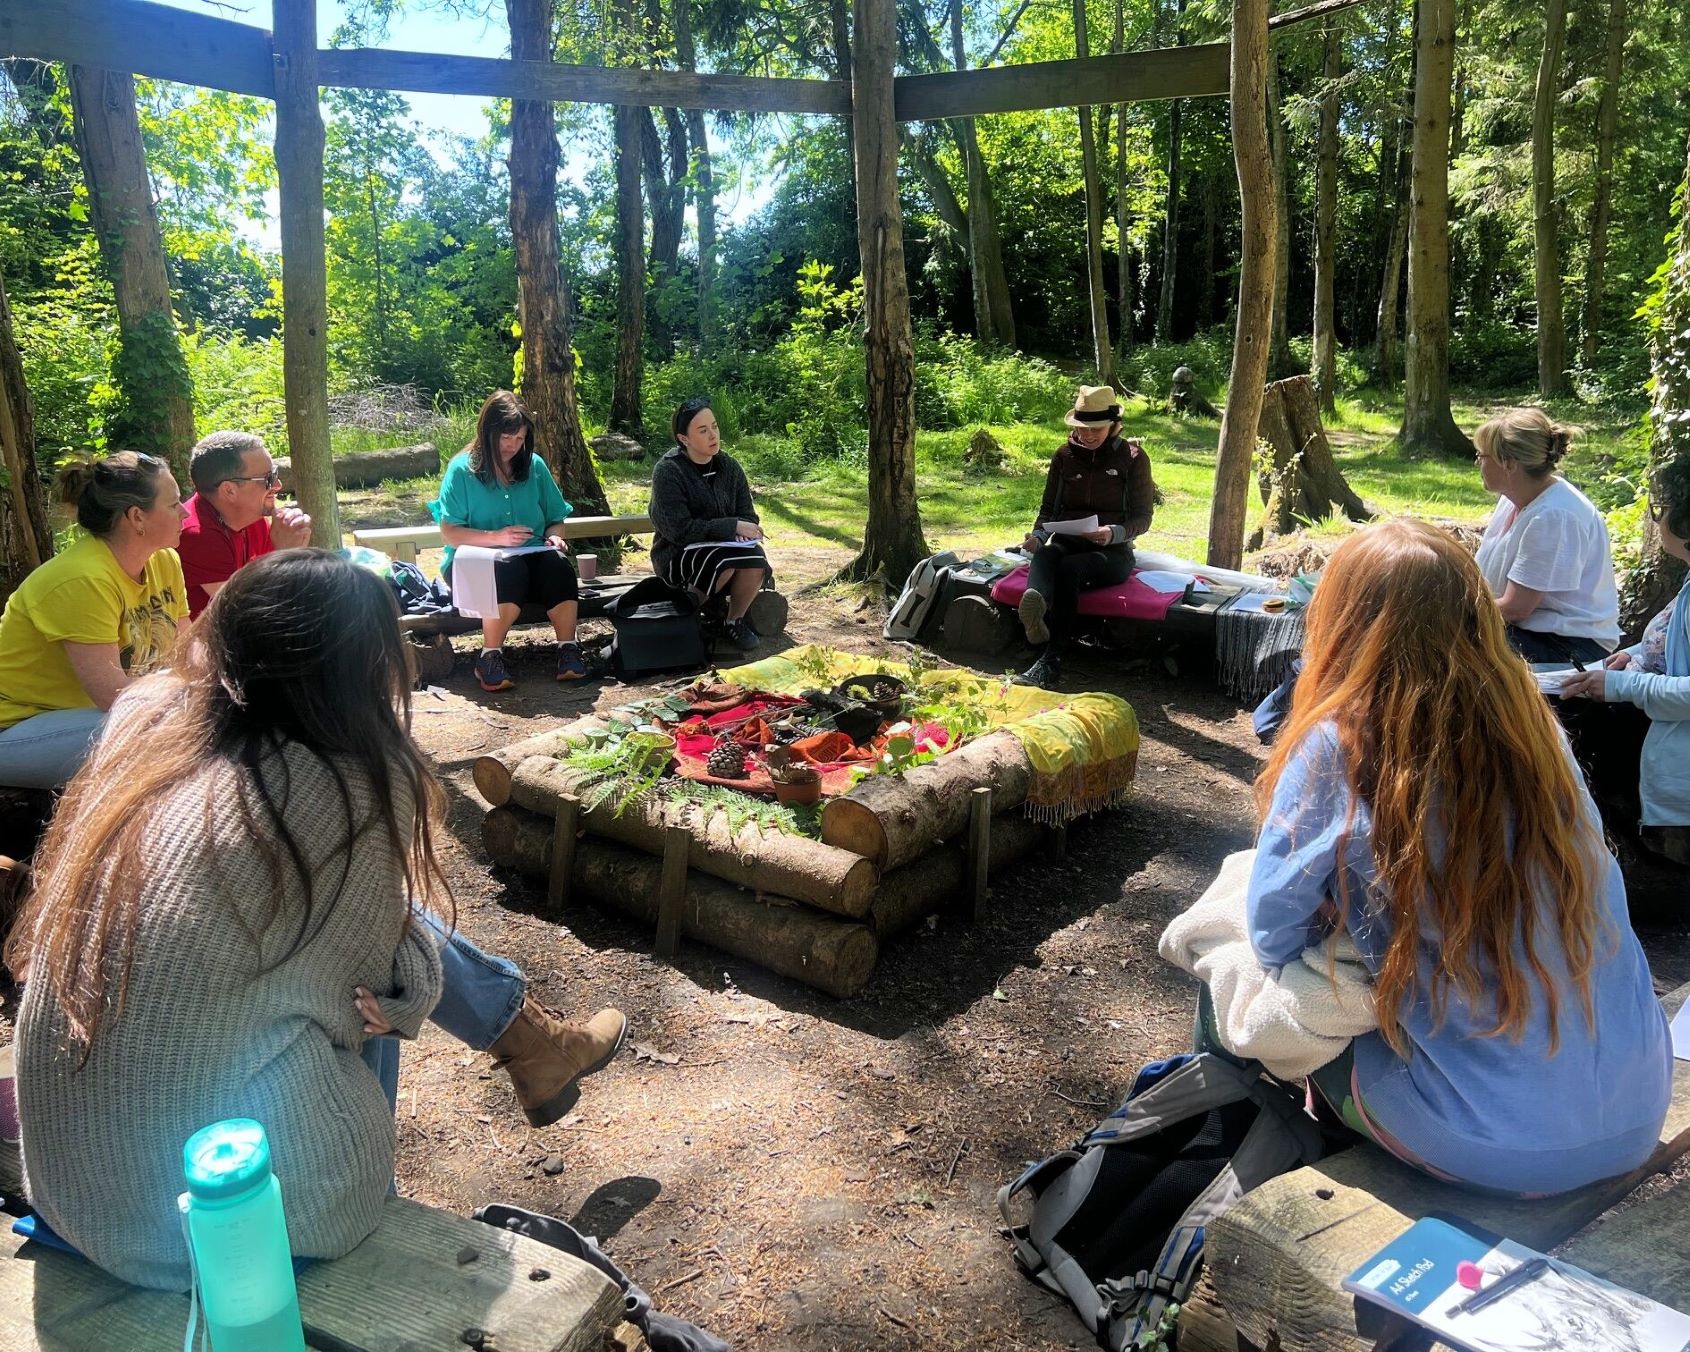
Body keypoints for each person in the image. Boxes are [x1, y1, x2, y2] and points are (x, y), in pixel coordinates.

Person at [9, 552, 627, 1291]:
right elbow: (381, 990)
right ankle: (386, 1202)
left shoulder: (142, 720)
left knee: (330, 958)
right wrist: (405, 984)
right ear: (367, 664)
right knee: (371, 997)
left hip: (83, 1199)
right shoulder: (351, 780)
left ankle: (531, 1044)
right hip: (223, 1232)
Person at [1226, 519, 1669, 1195]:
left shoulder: (1339, 739)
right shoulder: (1534, 723)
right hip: (1635, 1112)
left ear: (1339, 620)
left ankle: (1223, 1171)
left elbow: (1270, 933)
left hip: (1490, 1142)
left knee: (1228, 977)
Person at [0, 453, 188, 790]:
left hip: (86, 717)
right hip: (16, 727)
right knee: (156, 731)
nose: (185, 512)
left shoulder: (165, 561)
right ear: (137, 517)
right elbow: (112, 694)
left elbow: (187, 649)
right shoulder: (83, 578)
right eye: (174, 504)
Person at [1561, 449, 1690, 867]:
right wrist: (1632, 656)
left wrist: (1620, 685)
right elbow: (1673, 643)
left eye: (1661, 507)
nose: (1657, 517)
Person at [431, 391, 584, 691]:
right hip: (473, 562)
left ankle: (568, 648)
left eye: (520, 439)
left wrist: (554, 537)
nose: (512, 447)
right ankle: (489, 656)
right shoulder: (461, 470)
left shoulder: (534, 466)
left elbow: (556, 517)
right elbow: (450, 533)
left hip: (531, 556)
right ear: (487, 431)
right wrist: (496, 538)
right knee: (509, 570)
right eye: (505, 438)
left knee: (558, 566)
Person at [1014, 385, 1155, 690]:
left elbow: (1143, 517)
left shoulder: (1133, 458)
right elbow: (1049, 508)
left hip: (1113, 552)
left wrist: (1114, 533)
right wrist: (1038, 535)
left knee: (1069, 568)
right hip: (1067, 539)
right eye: (1081, 428)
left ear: (1113, 426)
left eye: (1096, 429)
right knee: (1047, 554)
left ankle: (1051, 661)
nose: (1088, 435)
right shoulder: (1064, 456)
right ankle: (1034, 611)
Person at [1473, 408, 1620, 664]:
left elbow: (1516, 608)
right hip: (1529, 633)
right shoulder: (1514, 499)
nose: (1477, 463)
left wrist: (1450, 612)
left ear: (1509, 463)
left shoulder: (1554, 516)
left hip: (1568, 646)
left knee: (1449, 648)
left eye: (1482, 455)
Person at [649, 397, 771, 653]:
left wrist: (741, 529)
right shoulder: (669, 472)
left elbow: (747, 516)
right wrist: (730, 527)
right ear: (684, 439)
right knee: (721, 562)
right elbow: (679, 530)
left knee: (755, 557)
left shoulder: (729, 466)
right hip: (676, 554)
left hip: (726, 549)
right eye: (703, 431)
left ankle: (733, 620)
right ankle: (686, 620)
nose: (713, 435)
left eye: (714, 427)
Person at [177, 429, 314, 619]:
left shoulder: (250, 516)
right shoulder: (198, 535)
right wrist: (285, 555)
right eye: (268, 479)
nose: (278, 485)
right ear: (229, 490)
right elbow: (248, 615)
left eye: (274, 474)